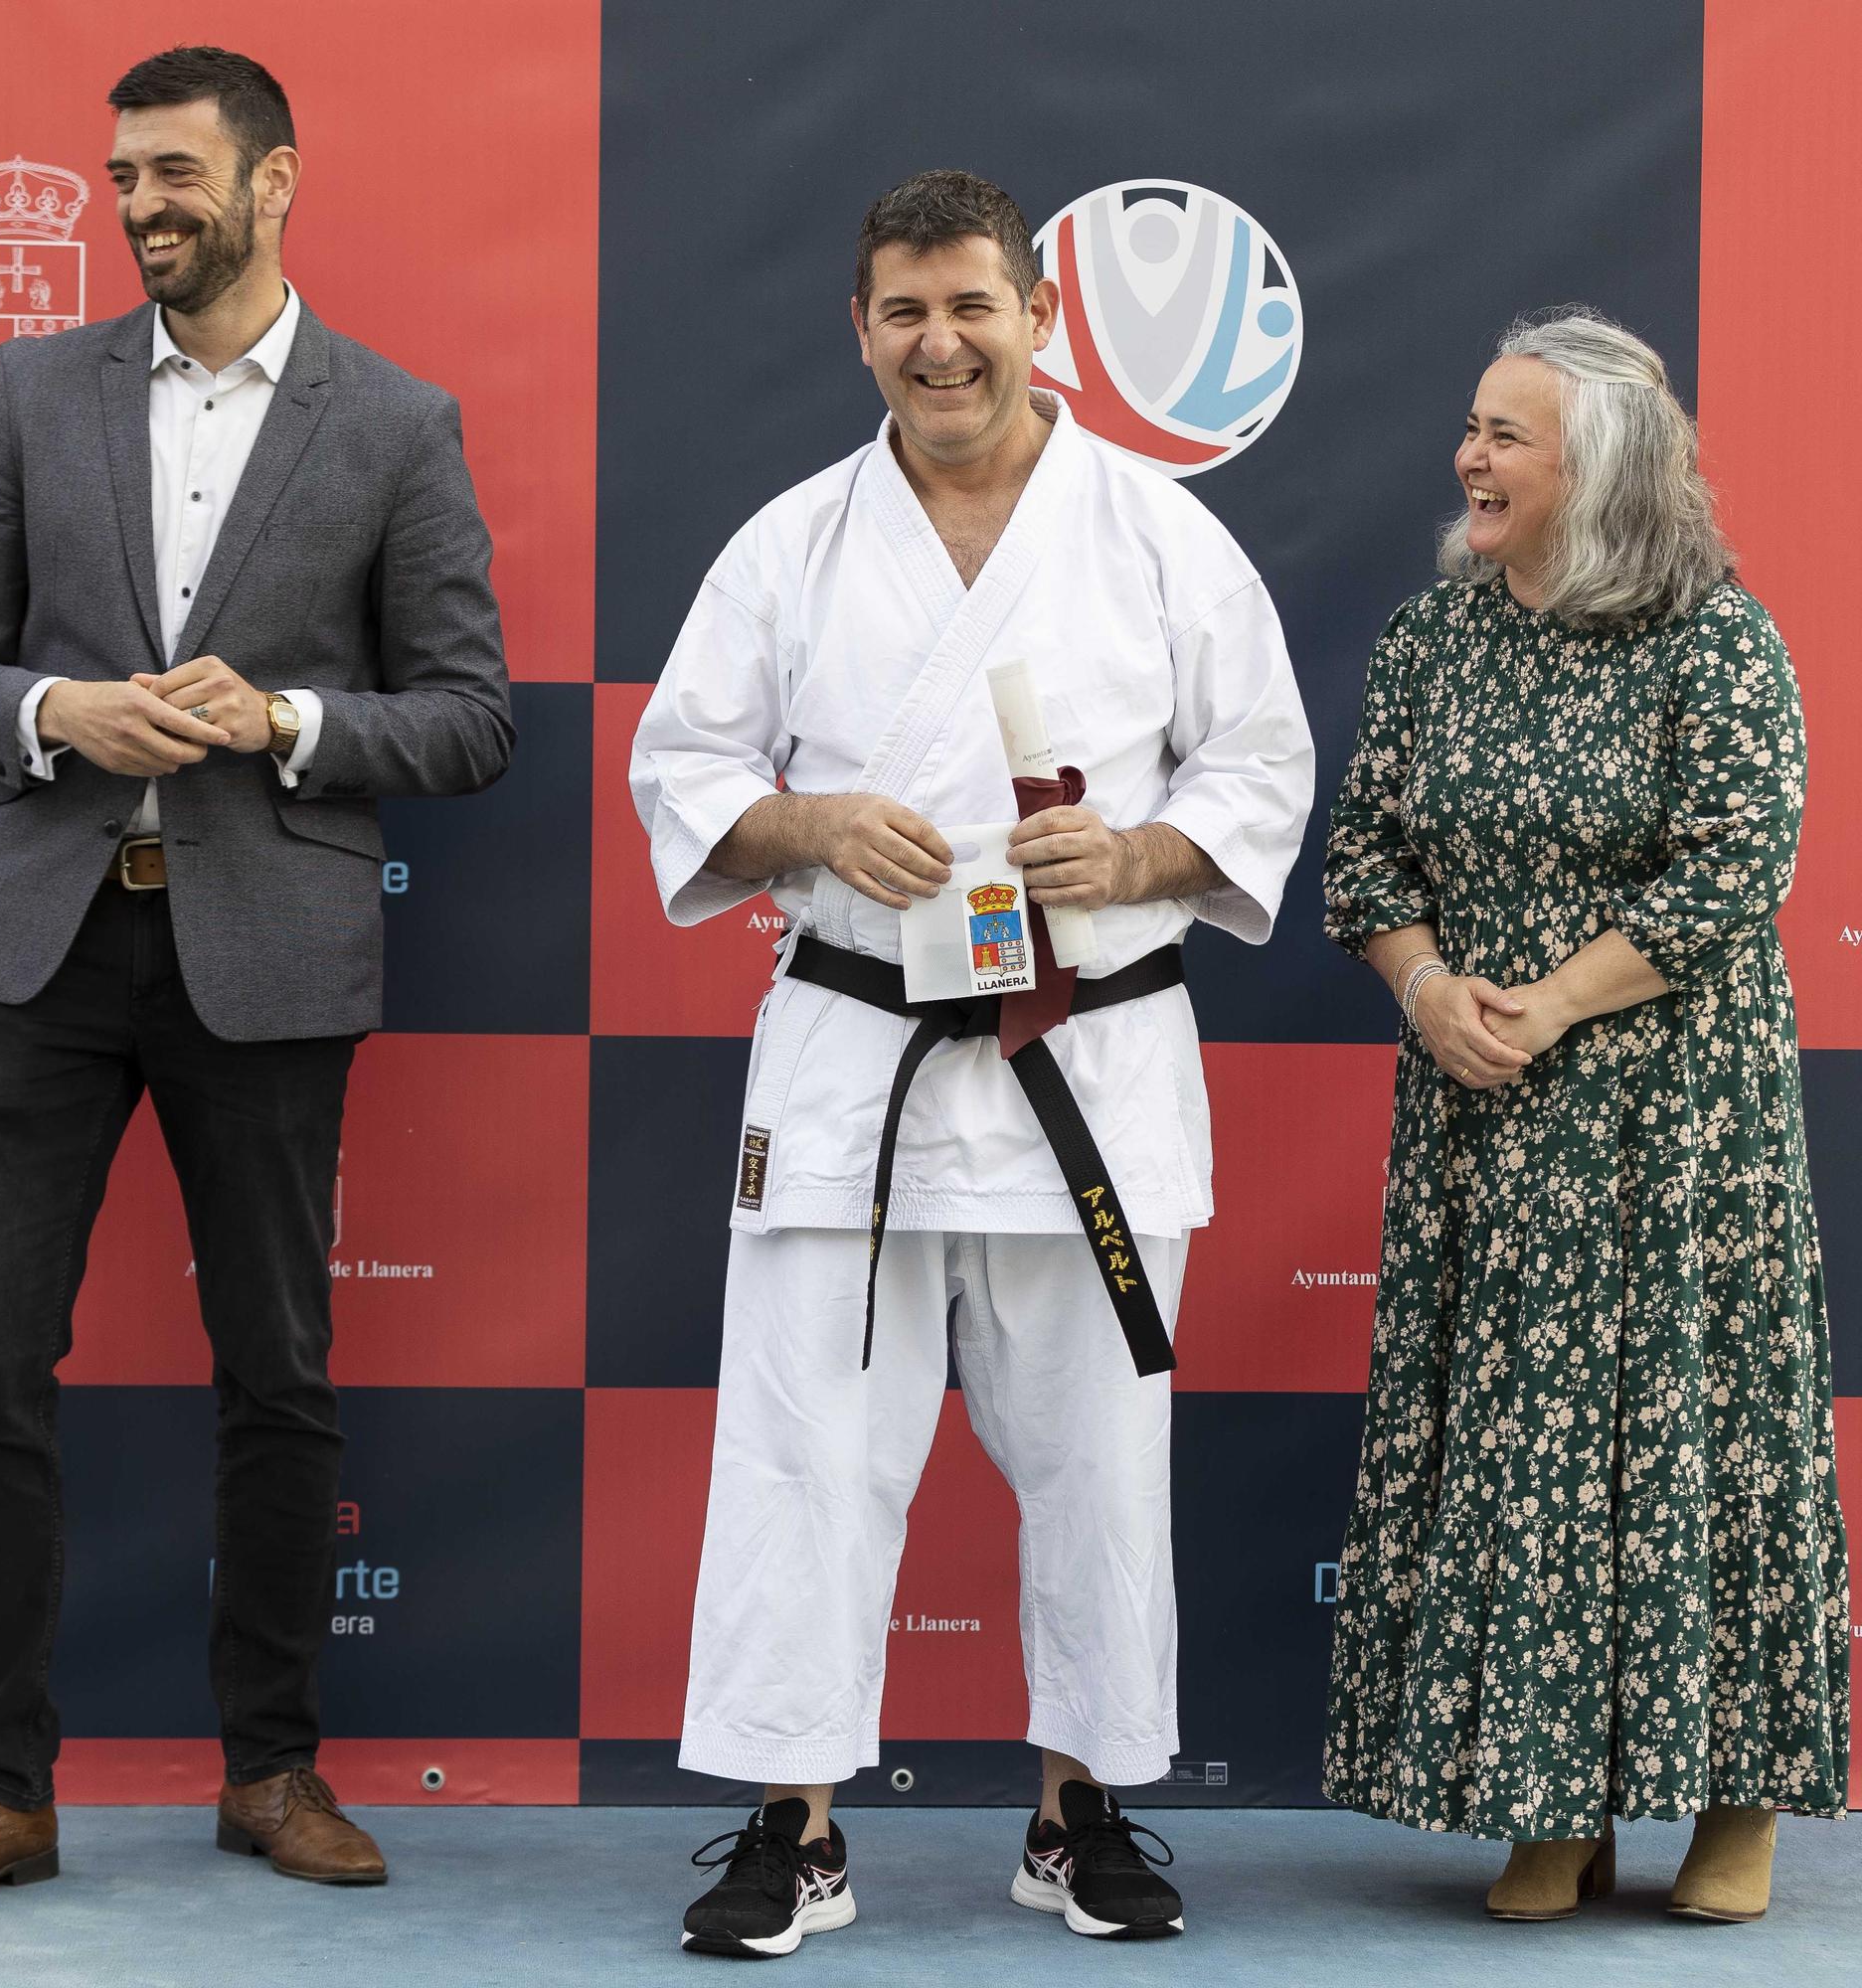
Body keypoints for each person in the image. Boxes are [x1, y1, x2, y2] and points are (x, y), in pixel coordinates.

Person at [632, 169, 1312, 1956]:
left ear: (1040, 318)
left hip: (1085, 1056)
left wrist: (1146, 858)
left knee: (1100, 1453)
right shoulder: (791, 542)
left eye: (973, 306)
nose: (942, 343)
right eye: (905, 312)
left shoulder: (1162, 538)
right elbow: (684, 772)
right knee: (803, 1448)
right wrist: (811, 823)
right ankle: (798, 1829)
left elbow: (1258, 770)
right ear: (861, 328)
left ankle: (1079, 1814)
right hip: (856, 1060)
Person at [0, 46, 511, 1911]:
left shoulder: (396, 422)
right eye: (121, 178)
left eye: (174, 172)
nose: (143, 204)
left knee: (278, 1374)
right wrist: (58, 711)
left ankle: (272, 1770)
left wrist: (291, 717)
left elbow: (470, 719)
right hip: (29, 947)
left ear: (275, 180)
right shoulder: (31, 389)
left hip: (269, 952)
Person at [1321, 310, 1848, 1923]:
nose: (1470, 458)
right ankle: (1548, 1801)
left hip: (1677, 1120)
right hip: (1484, 1113)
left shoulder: (1716, 638)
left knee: (1709, 1440)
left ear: (1596, 467)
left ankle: (1736, 1805)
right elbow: (1364, 859)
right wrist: (1429, 993)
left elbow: (1736, 869)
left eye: (1507, 436)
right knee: (1515, 1454)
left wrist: (1550, 1001)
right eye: (1474, 428)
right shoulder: (1435, 638)